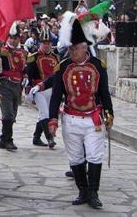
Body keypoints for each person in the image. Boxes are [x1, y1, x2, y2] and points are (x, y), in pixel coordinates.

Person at [48, 18, 114, 209]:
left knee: (94, 155)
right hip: (71, 119)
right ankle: (82, 191)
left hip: (93, 119)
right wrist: (53, 118)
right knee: (75, 157)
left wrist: (109, 113)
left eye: (75, 48)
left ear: (85, 47)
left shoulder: (98, 66)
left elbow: (104, 93)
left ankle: (93, 192)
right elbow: (56, 96)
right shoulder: (62, 67)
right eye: (70, 48)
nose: (71, 52)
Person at [26, 28, 59, 148]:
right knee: (45, 113)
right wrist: (30, 91)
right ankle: (50, 138)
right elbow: (28, 75)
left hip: (51, 90)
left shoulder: (55, 58)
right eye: (44, 43)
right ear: (40, 43)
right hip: (38, 89)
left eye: (49, 43)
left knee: (43, 114)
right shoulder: (33, 57)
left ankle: (36, 137)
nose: (46, 45)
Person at [0, 23, 27, 151]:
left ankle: (4, 139)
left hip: (17, 85)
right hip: (5, 84)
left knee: (13, 114)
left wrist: (26, 76)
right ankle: (9, 140)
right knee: (8, 113)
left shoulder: (23, 52)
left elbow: (25, 69)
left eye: (16, 38)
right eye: (11, 37)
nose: (13, 40)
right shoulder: (2, 51)